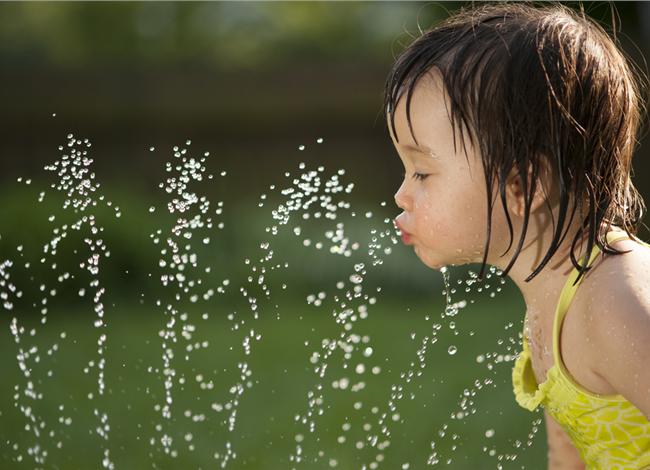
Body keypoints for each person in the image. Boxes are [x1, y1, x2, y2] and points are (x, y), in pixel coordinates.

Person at [384, 2, 650, 468]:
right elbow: (571, 454)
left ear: (524, 187)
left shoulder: (616, 302)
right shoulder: (552, 294)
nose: (401, 195)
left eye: (422, 172)